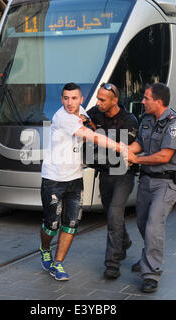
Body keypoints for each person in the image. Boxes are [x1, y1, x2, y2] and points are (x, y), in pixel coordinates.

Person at [39, 82, 127, 281]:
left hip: (75, 178)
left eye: (74, 98)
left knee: (71, 224)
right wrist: (119, 146)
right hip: (53, 179)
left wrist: (87, 120)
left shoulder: (83, 112)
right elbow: (90, 135)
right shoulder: (62, 117)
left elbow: (89, 123)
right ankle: (45, 248)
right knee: (52, 225)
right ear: (61, 100)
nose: (70, 103)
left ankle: (58, 264)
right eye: (66, 98)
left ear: (81, 99)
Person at [127, 83, 176, 293]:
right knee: (143, 223)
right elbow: (140, 144)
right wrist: (125, 151)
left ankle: (151, 272)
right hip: (146, 181)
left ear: (158, 101)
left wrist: (135, 160)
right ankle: (148, 257)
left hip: (167, 182)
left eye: (146, 98)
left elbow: (164, 156)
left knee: (154, 225)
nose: (142, 102)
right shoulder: (146, 120)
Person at [86, 83, 138, 280]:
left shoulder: (129, 120)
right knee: (111, 214)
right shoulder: (95, 113)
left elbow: (121, 147)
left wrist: (95, 136)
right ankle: (123, 241)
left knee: (115, 215)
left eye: (102, 100)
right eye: (98, 98)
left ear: (114, 101)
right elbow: (82, 121)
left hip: (123, 173)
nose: (98, 103)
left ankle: (112, 264)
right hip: (105, 173)